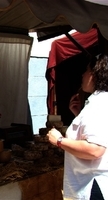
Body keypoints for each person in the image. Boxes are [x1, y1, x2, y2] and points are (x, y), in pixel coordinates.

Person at [47, 54, 108, 200]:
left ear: (94, 74)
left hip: (92, 186)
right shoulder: (101, 101)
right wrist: (79, 115)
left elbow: (95, 150)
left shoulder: (99, 104)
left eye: (86, 70)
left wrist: (59, 141)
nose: (83, 74)